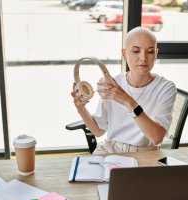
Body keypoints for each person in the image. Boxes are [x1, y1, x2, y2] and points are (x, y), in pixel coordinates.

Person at [71, 26, 177, 154]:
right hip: (111, 150)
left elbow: (156, 137)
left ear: (156, 54)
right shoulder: (112, 84)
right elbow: (98, 131)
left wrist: (128, 101)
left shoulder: (166, 88)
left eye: (149, 51)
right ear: (124, 54)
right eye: (136, 51)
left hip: (146, 153)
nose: (143, 57)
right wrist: (81, 109)